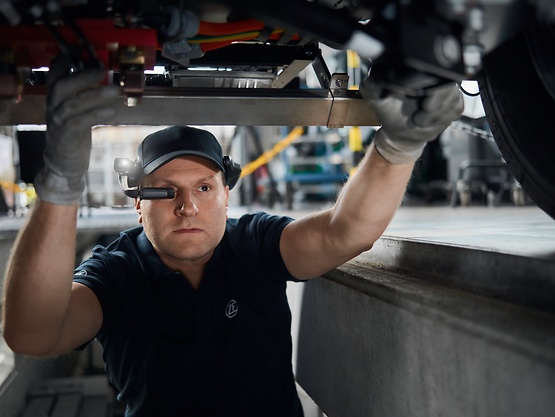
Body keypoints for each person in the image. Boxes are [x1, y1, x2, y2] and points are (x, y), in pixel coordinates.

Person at [2, 54, 463, 416]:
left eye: (204, 188)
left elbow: (344, 233)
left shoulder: (253, 245)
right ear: (139, 205)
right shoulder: (117, 273)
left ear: (226, 195)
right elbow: (32, 334)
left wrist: (399, 144)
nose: (188, 206)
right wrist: (61, 179)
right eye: (165, 192)